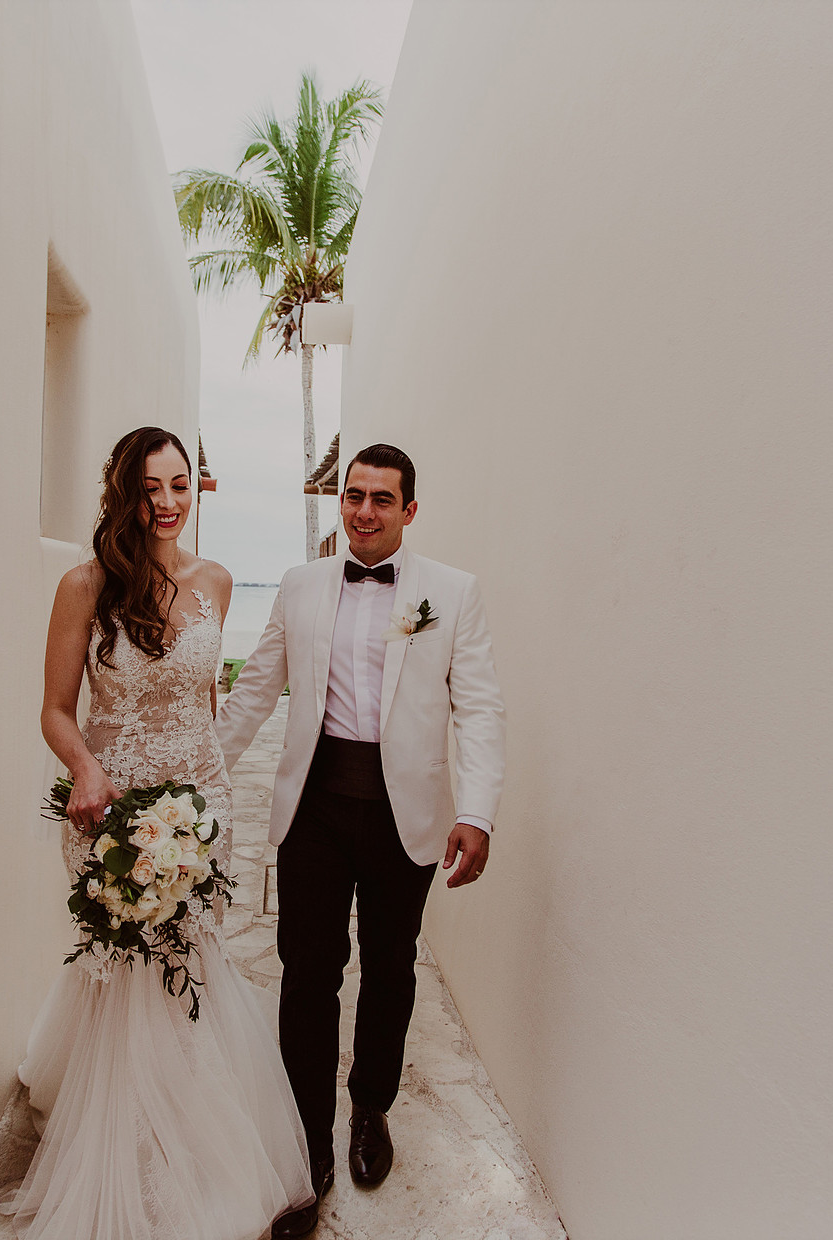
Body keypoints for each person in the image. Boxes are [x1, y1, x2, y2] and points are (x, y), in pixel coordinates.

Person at [0, 426, 313, 1240]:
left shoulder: (214, 583)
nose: (167, 503)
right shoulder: (83, 586)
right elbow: (55, 709)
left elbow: (200, 702)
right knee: (128, 967)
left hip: (200, 801)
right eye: (151, 488)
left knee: (192, 958)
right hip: (113, 806)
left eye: (179, 485)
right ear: (122, 492)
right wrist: (88, 771)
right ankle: (127, 1144)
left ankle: (192, 1134)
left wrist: (208, 797)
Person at [215, 443, 506, 1238]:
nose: (364, 511)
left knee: (388, 970)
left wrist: (475, 811)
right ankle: (304, 1140)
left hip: (400, 816)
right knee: (308, 974)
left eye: (382, 499)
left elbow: (477, 707)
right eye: (354, 496)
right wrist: (201, 773)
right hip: (312, 811)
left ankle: (370, 1110)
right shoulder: (304, 586)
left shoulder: (452, 593)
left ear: (409, 511)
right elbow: (255, 689)